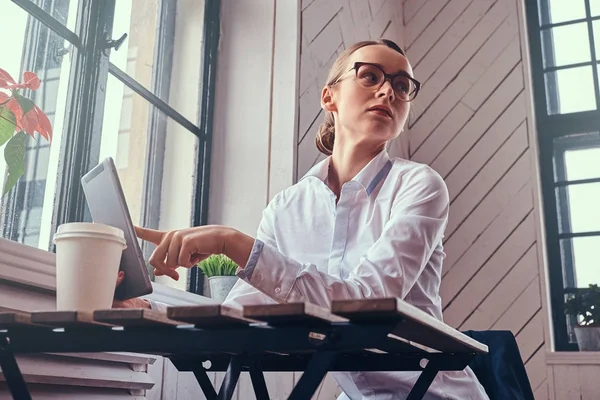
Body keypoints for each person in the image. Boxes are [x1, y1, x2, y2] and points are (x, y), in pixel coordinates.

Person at [115, 39, 490, 400]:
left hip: (434, 394)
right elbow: (241, 313)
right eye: (370, 76)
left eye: (401, 84)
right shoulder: (287, 206)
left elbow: (368, 304)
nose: (388, 92)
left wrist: (234, 243)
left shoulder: (420, 186)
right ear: (330, 96)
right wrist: (149, 310)